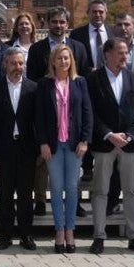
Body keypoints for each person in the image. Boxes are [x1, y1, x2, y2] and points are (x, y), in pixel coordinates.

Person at [87, 38, 134, 255]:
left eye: (126, 53)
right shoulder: (93, 79)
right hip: (105, 144)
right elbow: (90, 112)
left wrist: (130, 135)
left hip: (129, 145)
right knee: (101, 191)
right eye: (120, 52)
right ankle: (99, 236)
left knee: (131, 191)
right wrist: (108, 134)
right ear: (107, 54)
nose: (125, 56)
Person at [35, 44, 92, 253]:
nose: (63, 62)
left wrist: (85, 140)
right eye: (59, 58)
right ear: (53, 61)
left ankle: (71, 230)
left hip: (75, 144)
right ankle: (59, 231)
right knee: (57, 189)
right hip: (53, 145)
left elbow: (87, 113)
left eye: (67, 58)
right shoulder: (44, 84)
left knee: (72, 188)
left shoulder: (80, 83)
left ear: (71, 61)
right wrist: (42, 143)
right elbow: (39, 117)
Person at [0, 47, 37, 250]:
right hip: (4, 148)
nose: (18, 67)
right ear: (5, 65)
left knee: (26, 195)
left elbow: (38, 120)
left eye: (20, 63)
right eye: (13, 63)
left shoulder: (34, 88)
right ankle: (6, 235)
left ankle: (26, 235)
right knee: (5, 194)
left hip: (26, 149)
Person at [27, 6, 90, 81]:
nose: (58, 25)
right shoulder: (35, 49)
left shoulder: (79, 48)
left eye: (62, 22)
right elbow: (32, 78)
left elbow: (84, 75)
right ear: (48, 23)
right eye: (54, 22)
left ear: (67, 25)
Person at [69, 0, 110, 72]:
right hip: (86, 78)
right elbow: (73, 59)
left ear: (106, 14)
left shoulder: (114, 33)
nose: (98, 15)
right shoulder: (76, 34)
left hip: (110, 78)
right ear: (88, 13)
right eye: (94, 12)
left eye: (101, 12)